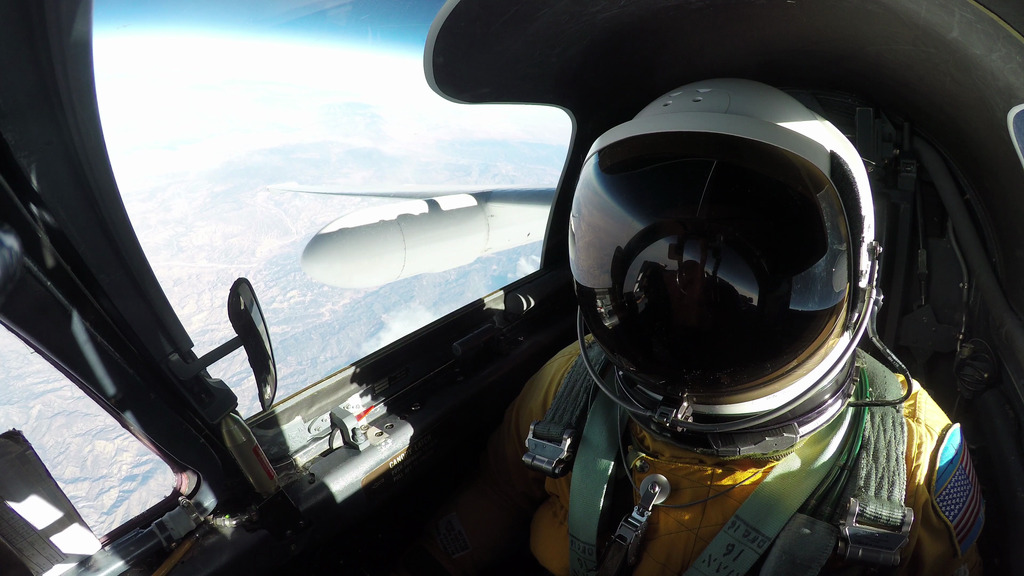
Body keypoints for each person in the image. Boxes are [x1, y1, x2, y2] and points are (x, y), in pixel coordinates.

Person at [403, 79, 983, 576]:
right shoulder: (574, 385)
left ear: (854, 276)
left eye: (726, 251)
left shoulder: (905, 463)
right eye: (673, 248)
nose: (691, 275)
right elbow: (497, 496)